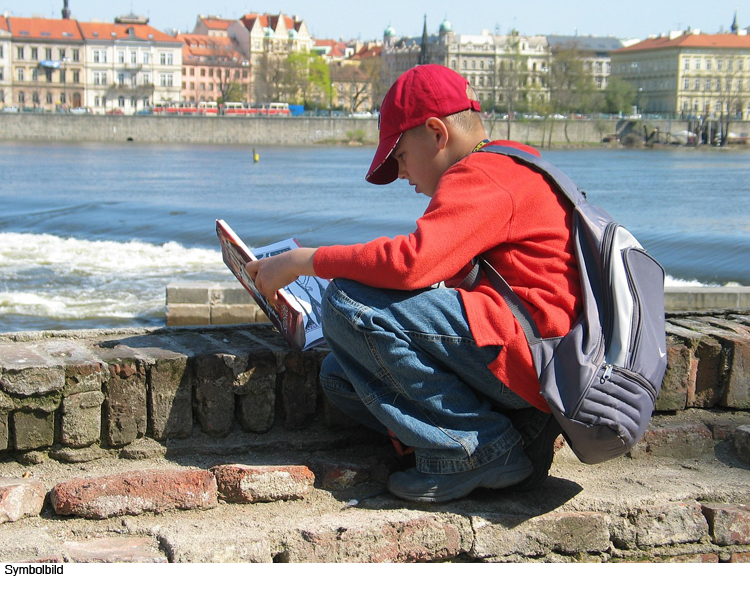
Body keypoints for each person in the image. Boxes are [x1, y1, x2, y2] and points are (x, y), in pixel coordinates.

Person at [245, 64, 581, 503]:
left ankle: (478, 450)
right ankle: (515, 443)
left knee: (348, 302)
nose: (402, 174)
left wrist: (306, 261)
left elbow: (412, 264)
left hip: (528, 359)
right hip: (536, 370)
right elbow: (430, 272)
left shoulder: (481, 173)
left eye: (401, 156)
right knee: (340, 373)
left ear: (437, 133)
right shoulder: (513, 164)